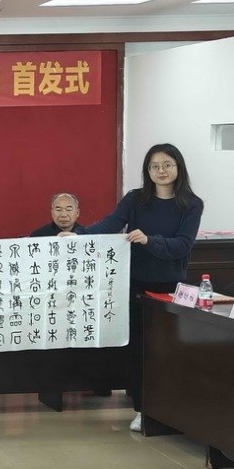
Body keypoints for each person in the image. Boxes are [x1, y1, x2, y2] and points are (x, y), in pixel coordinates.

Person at [77, 143, 203, 432]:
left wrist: (150, 240)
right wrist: (78, 235)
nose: (161, 171)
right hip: (134, 284)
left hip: (170, 289)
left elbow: (183, 245)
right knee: (137, 348)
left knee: (166, 349)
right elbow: (110, 224)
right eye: (154, 166)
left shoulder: (191, 204)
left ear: (178, 167)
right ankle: (142, 408)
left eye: (167, 165)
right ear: (148, 170)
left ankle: (168, 407)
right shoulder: (135, 199)